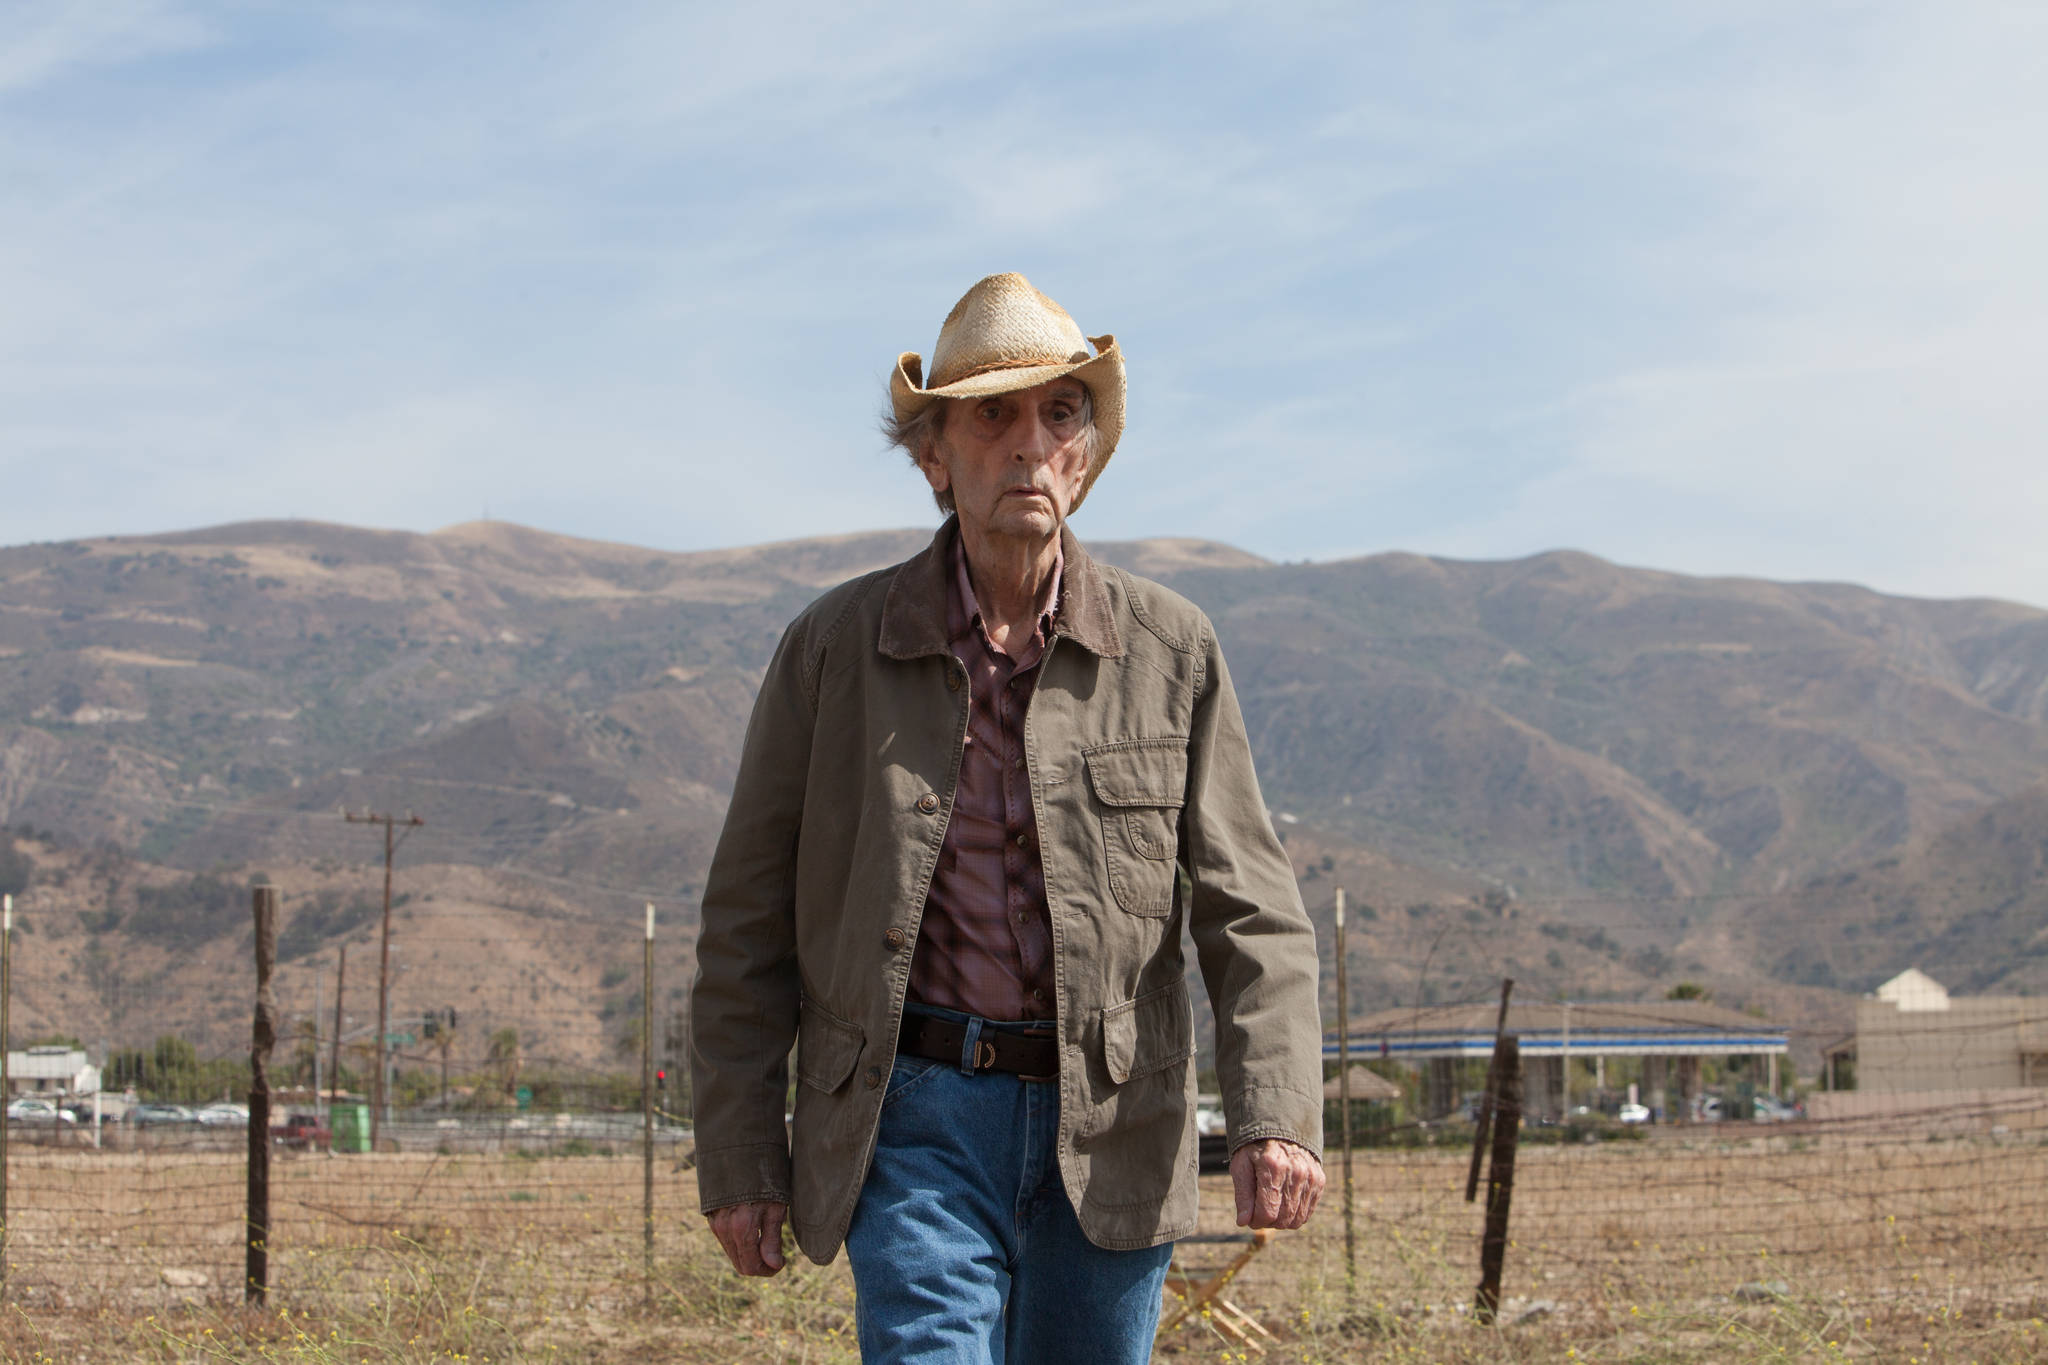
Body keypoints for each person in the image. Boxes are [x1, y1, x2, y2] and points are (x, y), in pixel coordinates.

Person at [690, 272, 1325, 1363]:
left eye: (1058, 413)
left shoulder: (1171, 650)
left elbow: (1252, 909)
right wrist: (743, 1154)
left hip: (1116, 1125)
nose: (1030, 442)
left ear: (1084, 454)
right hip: (914, 1123)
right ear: (933, 456)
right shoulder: (833, 650)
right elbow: (746, 919)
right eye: (993, 414)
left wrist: (1275, 1114)